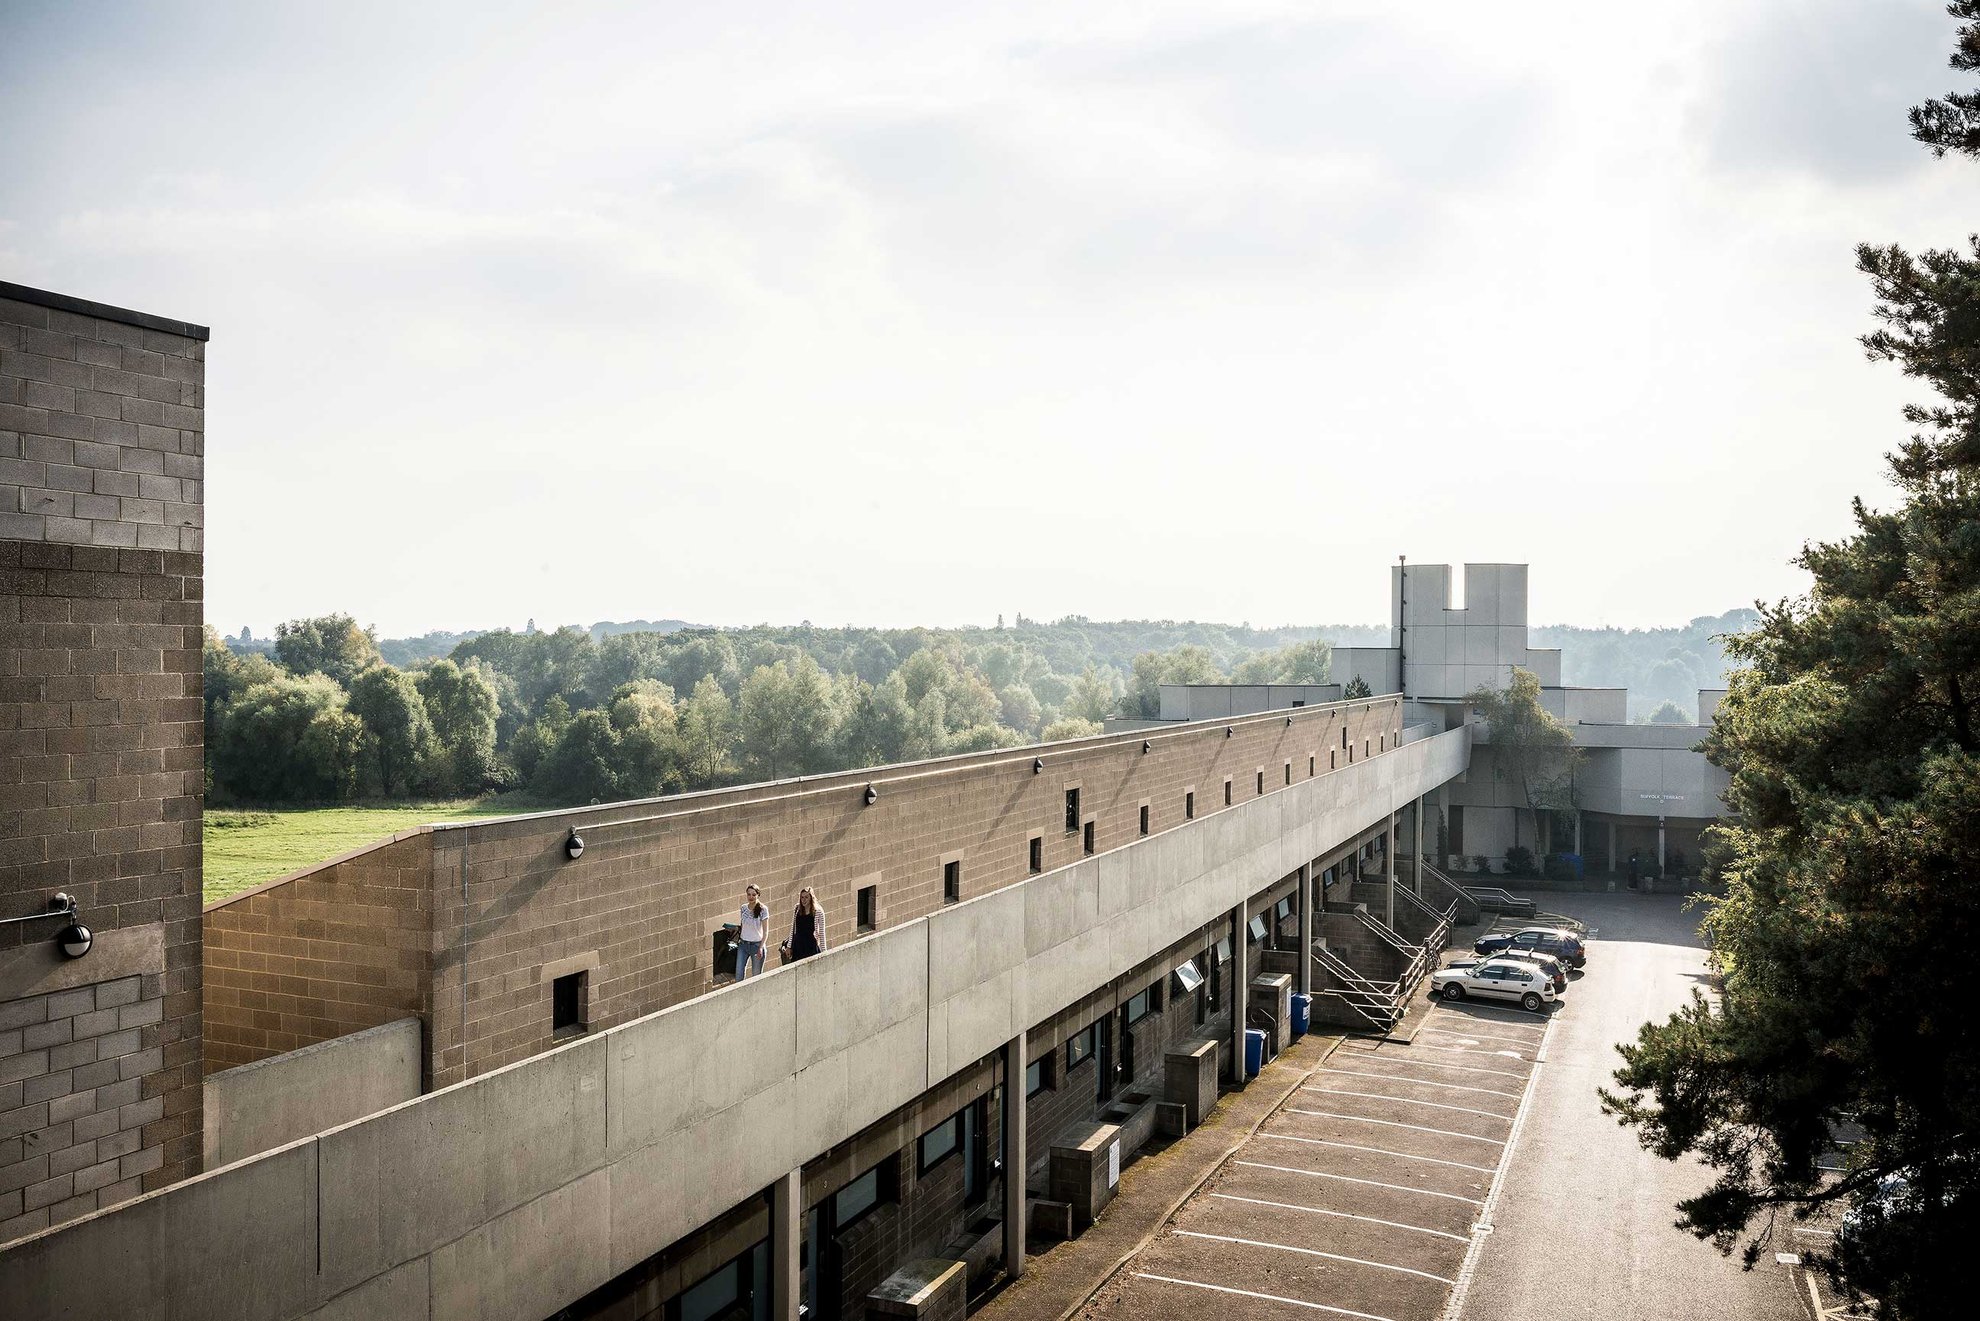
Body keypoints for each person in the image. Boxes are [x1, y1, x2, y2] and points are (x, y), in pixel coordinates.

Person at [783, 886, 827, 963]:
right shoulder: (797, 908)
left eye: (806, 897)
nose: (804, 900)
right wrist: (789, 946)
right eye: (802, 897)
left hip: (811, 944)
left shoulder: (818, 911)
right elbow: (793, 928)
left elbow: (822, 933)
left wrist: (824, 952)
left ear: (811, 898)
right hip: (798, 945)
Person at [736, 884, 769, 980]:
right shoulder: (743, 908)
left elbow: (766, 931)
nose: (751, 897)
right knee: (738, 975)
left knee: (756, 977)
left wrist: (761, 947)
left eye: (753, 895)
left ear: (758, 895)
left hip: (757, 946)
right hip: (743, 944)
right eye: (749, 894)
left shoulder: (763, 909)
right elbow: (743, 926)